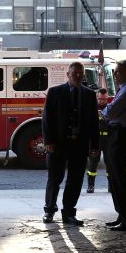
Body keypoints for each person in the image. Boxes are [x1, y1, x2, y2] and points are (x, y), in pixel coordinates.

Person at [42, 61, 99, 225]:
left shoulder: (89, 95)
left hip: (79, 146)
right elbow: (47, 119)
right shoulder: (55, 92)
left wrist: (95, 145)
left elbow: (94, 122)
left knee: (75, 180)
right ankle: (49, 211)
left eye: (81, 73)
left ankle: (69, 213)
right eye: (75, 73)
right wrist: (49, 141)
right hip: (58, 144)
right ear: (68, 74)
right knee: (54, 178)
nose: (78, 76)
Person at [102, 60, 126, 231]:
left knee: (119, 178)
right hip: (115, 133)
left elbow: (110, 111)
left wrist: (104, 111)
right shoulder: (123, 89)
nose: (115, 74)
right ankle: (122, 215)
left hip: (120, 134)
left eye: (117, 71)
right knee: (113, 177)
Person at [86, 88, 111, 193]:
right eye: (100, 99)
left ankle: (111, 185)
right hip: (95, 139)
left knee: (109, 163)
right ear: (97, 97)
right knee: (93, 162)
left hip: (108, 138)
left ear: (107, 98)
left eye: (104, 99)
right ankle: (90, 186)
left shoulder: (111, 108)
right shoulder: (91, 108)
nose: (102, 101)